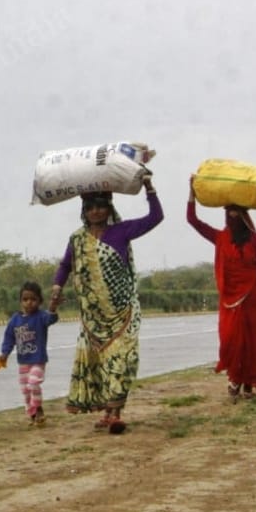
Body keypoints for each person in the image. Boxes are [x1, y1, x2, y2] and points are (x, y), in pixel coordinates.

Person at [51, 175, 162, 434]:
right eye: (90, 207)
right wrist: (57, 286)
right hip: (93, 316)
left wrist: (149, 187)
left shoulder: (121, 232)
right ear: (84, 211)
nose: (96, 211)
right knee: (101, 363)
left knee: (121, 360)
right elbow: (66, 265)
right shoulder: (77, 239)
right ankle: (108, 412)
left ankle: (116, 412)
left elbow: (155, 218)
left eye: (101, 206)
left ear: (109, 208)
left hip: (123, 312)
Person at [186, 176, 256, 401]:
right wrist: (192, 193)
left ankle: (247, 387)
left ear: (245, 216)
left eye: (237, 213)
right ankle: (233, 380)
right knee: (231, 341)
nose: (232, 217)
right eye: (229, 213)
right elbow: (193, 220)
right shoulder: (220, 238)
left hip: (255, 300)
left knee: (254, 343)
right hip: (229, 302)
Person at [0, 281, 60, 426]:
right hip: (23, 362)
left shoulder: (41, 317)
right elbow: (9, 338)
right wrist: (4, 353)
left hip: (38, 360)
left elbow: (51, 318)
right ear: (20, 301)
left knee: (33, 384)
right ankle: (33, 416)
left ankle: (38, 409)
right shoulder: (15, 320)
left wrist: (53, 305)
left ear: (39, 301)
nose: (29, 303)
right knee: (25, 391)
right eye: (25, 299)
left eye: (33, 299)